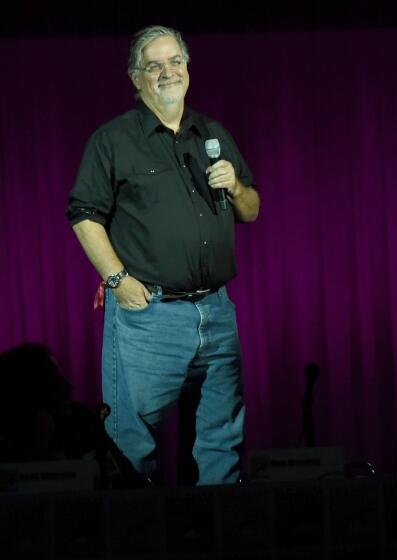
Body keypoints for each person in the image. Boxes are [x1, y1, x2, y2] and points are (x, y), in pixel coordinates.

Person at [66, 25, 260, 485]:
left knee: (221, 441)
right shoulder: (113, 141)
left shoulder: (211, 133)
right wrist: (118, 282)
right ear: (137, 79)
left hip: (214, 310)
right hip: (147, 315)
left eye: (175, 61)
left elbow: (251, 210)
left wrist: (234, 184)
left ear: (188, 69)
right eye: (154, 66)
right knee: (131, 447)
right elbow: (84, 215)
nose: (167, 72)